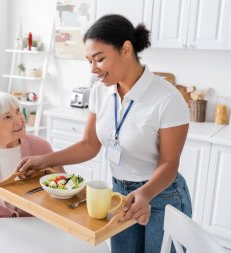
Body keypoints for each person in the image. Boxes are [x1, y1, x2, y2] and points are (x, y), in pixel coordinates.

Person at [16, 14, 192, 253]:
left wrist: (145, 193)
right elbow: (89, 144)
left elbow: (169, 163)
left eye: (99, 59)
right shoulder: (100, 92)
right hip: (119, 193)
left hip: (162, 195)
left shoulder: (167, 98)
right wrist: (43, 160)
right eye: (89, 61)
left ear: (126, 49)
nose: (93, 69)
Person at [0, 91, 64, 219]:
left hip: (35, 226)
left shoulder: (41, 147)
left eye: (18, 111)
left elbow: (63, 194)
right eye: (7, 117)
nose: (19, 120)